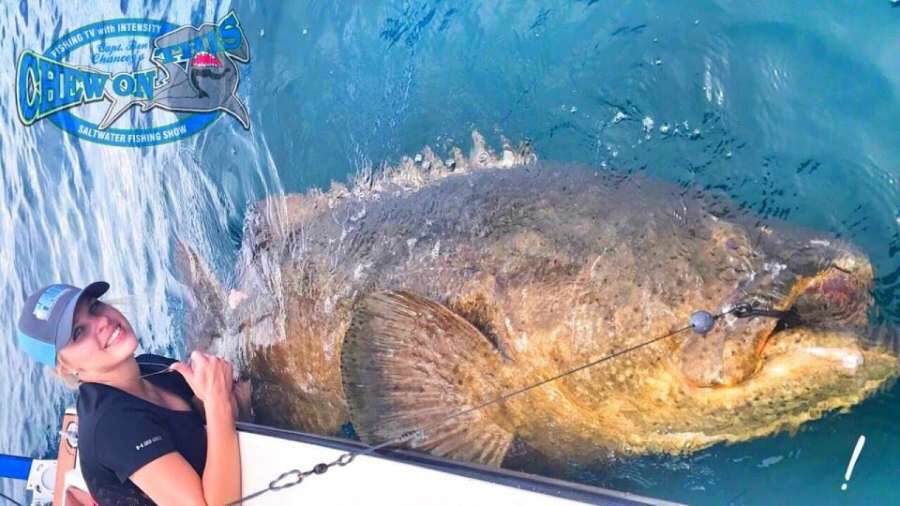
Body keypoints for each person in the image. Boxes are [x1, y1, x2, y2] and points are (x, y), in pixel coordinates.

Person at [16, 282, 246, 505]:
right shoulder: (112, 427)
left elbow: (200, 414)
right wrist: (218, 402)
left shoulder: (150, 365)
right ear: (66, 368)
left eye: (94, 307)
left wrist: (217, 393)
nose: (103, 321)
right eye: (78, 332)